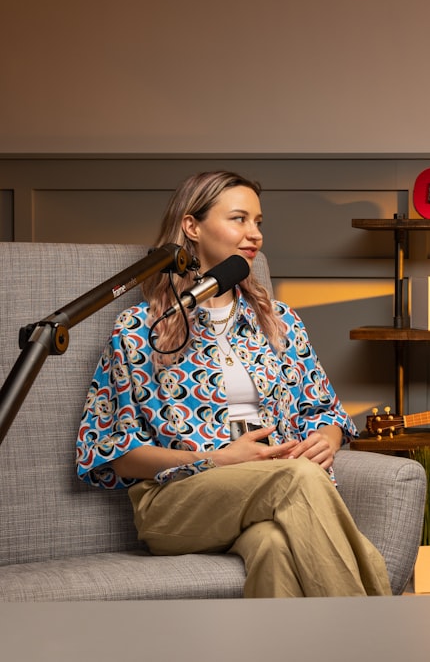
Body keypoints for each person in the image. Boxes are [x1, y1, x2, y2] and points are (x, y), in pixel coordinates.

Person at [76, 170, 391, 598]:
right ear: (192, 226)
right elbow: (114, 452)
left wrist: (328, 439)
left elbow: (325, 411)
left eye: (259, 222)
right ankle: (379, 634)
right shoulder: (140, 329)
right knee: (296, 478)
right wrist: (221, 459)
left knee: (274, 546)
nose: (254, 234)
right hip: (177, 500)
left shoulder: (279, 322)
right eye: (239, 219)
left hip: (269, 489)